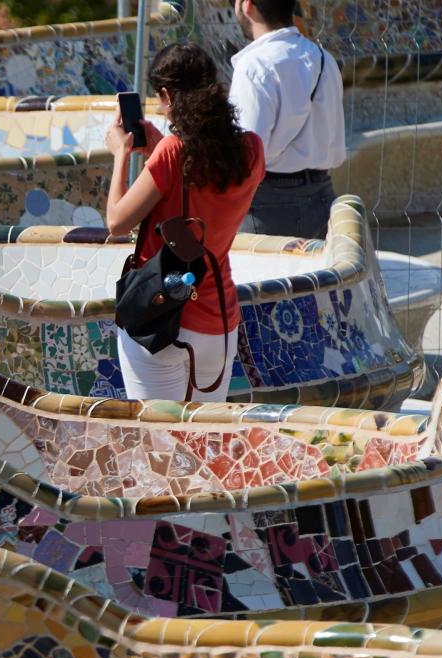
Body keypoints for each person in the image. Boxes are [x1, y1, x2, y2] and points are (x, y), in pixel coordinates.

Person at [104, 42, 265, 403]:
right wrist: (159, 150)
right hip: (219, 324)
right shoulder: (252, 149)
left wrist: (120, 154)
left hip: (164, 318)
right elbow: (206, 179)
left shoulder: (173, 151)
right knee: (203, 436)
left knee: (158, 437)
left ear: (167, 95)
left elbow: (116, 221)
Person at [227, 0, 345, 239]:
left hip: (267, 208)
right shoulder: (324, 59)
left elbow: (247, 155)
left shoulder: (254, 65)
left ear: (247, 5)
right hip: (323, 201)